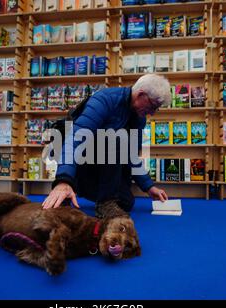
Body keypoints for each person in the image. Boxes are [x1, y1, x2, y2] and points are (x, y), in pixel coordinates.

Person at [42, 74, 170, 218]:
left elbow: (132, 155)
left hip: (103, 163)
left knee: (126, 202)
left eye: (156, 109)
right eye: (152, 106)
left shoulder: (139, 118)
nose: (152, 113)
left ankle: (93, 193)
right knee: (115, 137)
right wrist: (63, 180)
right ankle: (101, 200)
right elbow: (75, 139)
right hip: (80, 161)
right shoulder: (105, 99)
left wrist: (149, 187)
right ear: (141, 95)